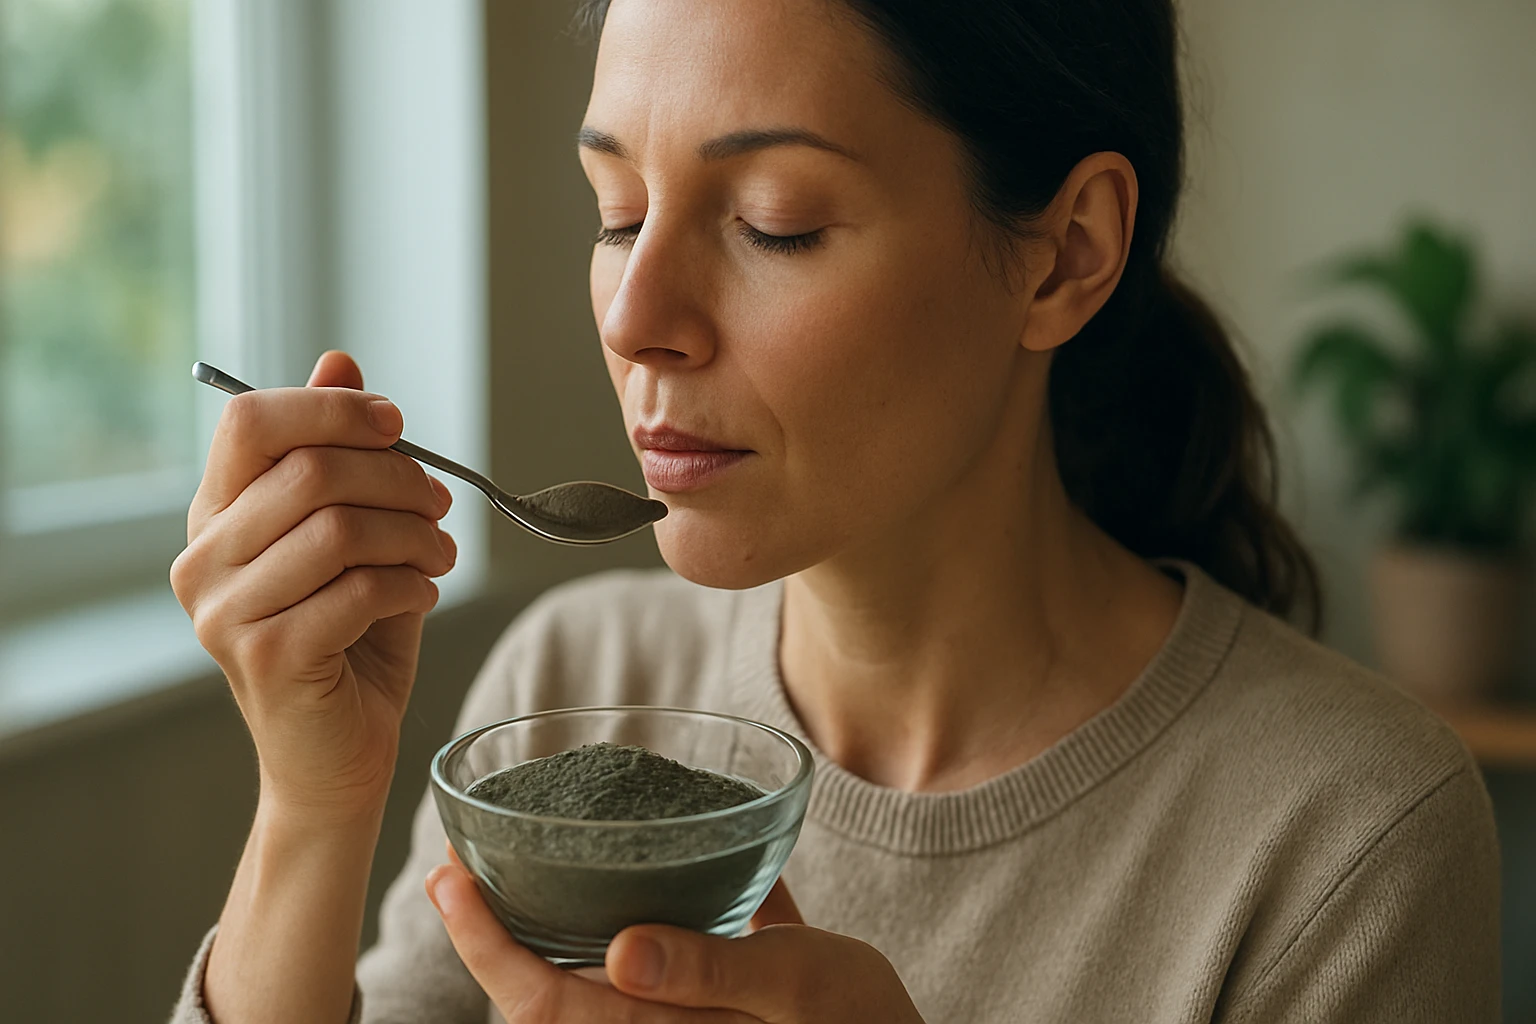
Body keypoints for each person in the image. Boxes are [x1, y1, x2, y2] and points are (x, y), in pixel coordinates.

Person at [167, 0, 1501, 1021]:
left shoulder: (1345, 835)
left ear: (1066, 256)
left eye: (775, 222)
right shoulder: (580, 683)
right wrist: (311, 797)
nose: (636, 321)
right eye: (618, 211)